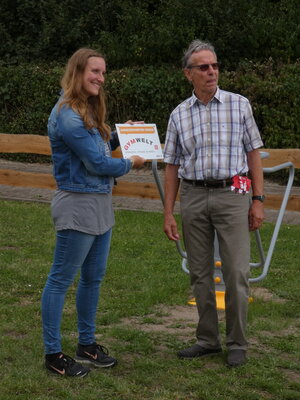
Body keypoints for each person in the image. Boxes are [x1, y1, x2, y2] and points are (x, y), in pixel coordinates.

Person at [41, 48, 145, 377]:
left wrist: (121, 133)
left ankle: (86, 345)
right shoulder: (68, 115)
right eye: (94, 71)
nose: (100, 77)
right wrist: (132, 161)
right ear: (78, 72)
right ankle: (53, 354)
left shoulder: (85, 109)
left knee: (93, 279)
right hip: (77, 204)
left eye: (103, 72)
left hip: (100, 203)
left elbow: (98, 145)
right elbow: (97, 163)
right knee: (60, 280)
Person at [163, 40, 264, 367]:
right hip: (192, 196)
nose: (211, 72)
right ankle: (207, 340)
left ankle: (237, 343)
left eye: (215, 65)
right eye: (203, 67)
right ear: (188, 74)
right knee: (200, 273)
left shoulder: (239, 105)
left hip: (233, 195)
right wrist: (168, 212)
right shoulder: (179, 114)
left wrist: (258, 200)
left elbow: (253, 154)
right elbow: (172, 166)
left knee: (236, 272)